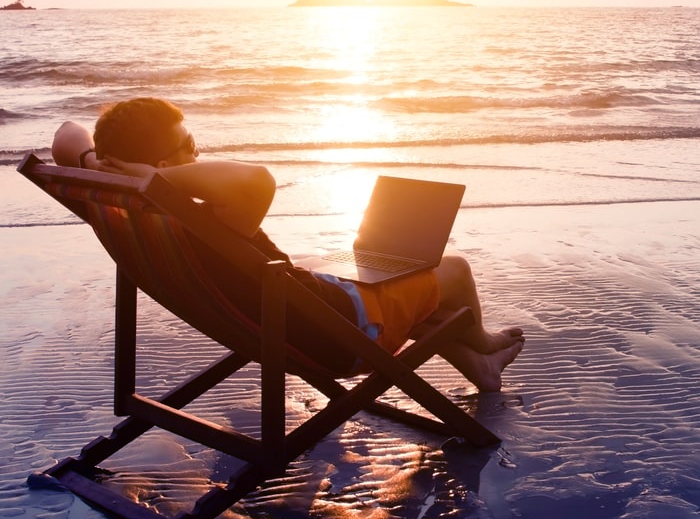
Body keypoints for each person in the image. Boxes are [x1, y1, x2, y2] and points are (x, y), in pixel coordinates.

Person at [52, 97, 524, 391]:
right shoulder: (206, 218)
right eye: (188, 144)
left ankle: (479, 370)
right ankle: (483, 347)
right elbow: (258, 180)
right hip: (343, 336)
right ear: (159, 163)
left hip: (285, 318)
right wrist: (160, 179)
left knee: (368, 266)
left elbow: (67, 135)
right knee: (452, 268)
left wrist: (102, 162)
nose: (198, 151)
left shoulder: (117, 205)